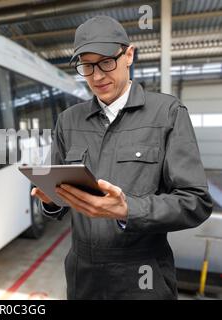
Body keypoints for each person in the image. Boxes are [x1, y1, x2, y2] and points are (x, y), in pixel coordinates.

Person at [31, 15, 213, 300]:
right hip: (83, 277)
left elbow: (196, 202)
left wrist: (129, 209)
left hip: (142, 275)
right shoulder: (68, 120)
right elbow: (61, 203)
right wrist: (53, 200)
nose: (98, 76)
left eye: (106, 62)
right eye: (87, 66)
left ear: (129, 55)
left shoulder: (167, 113)